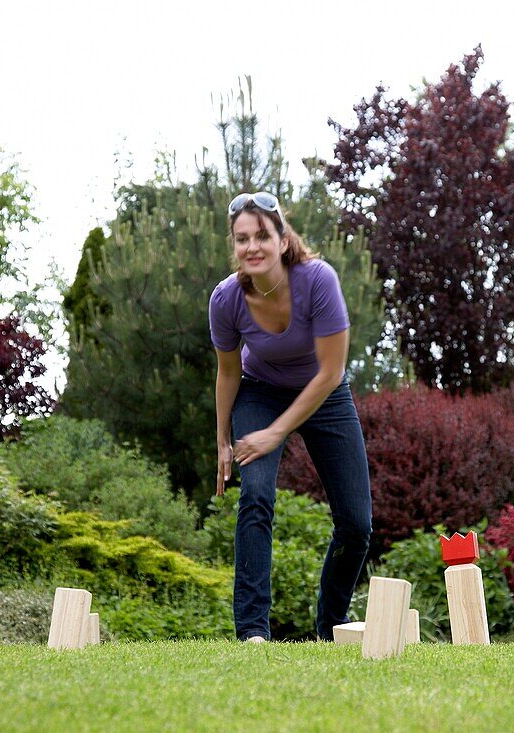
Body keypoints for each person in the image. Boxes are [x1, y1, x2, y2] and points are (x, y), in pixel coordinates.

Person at [208, 191, 372, 643]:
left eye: (262, 235)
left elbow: (331, 371)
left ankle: (332, 626)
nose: (252, 247)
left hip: (325, 393)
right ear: (235, 247)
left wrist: (275, 433)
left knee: (357, 526)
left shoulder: (317, 281)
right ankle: (252, 631)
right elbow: (228, 373)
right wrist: (223, 438)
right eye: (242, 239)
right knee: (256, 496)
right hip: (260, 392)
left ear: (283, 240)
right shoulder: (226, 299)